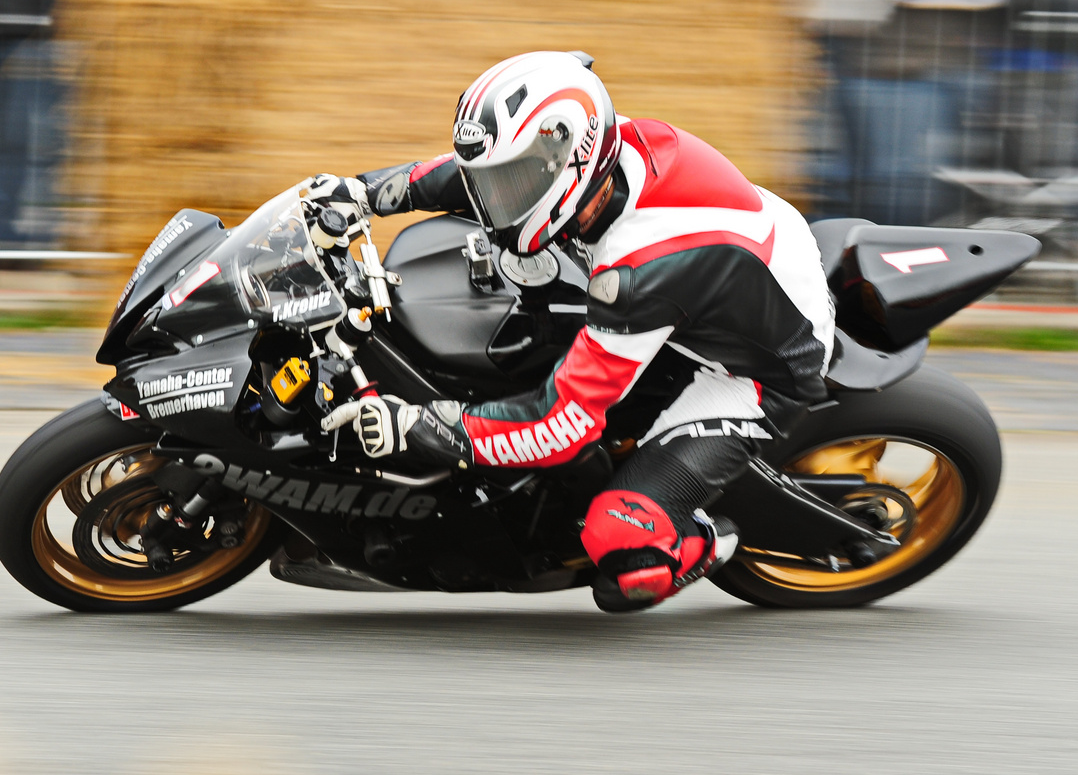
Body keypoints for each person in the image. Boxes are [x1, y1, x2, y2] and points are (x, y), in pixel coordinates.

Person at [322, 52, 834, 613]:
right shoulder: (598, 153)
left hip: (756, 371)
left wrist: (423, 426)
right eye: (497, 181)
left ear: (572, 163)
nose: (492, 201)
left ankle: (708, 536)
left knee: (620, 552)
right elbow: (474, 172)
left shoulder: (636, 273)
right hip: (729, 276)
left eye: (509, 183)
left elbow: (560, 425)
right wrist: (366, 192)